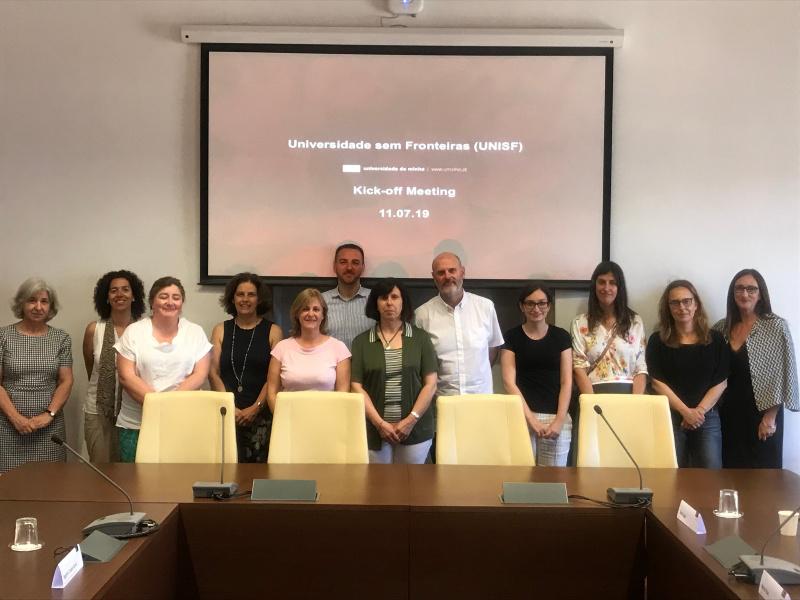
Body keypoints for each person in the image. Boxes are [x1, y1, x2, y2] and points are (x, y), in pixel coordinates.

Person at [114, 276, 212, 462]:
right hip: (137, 424)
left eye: (176, 297)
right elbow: (126, 377)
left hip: (182, 423)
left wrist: (168, 406)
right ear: (152, 301)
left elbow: (200, 374)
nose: (170, 302)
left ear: (182, 303)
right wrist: (158, 406)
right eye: (163, 296)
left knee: (177, 477)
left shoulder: (195, 332)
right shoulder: (134, 331)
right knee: (136, 478)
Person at [713, 269, 798, 468]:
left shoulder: (775, 326)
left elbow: (782, 374)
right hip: (729, 413)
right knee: (731, 472)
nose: (745, 294)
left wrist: (770, 416)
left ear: (761, 294)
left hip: (763, 412)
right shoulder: (721, 328)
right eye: (739, 289)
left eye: (751, 289)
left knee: (764, 475)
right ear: (732, 294)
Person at [351, 278, 438, 464]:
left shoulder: (421, 339)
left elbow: (430, 384)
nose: (389, 302)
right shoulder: (361, 342)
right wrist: (380, 424)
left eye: (394, 297)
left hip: (415, 430)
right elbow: (356, 386)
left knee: (410, 481)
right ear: (376, 303)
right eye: (383, 298)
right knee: (378, 482)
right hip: (374, 432)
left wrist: (410, 421)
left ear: (403, 302)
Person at [646, 280, 729, 468]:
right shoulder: (657, 341)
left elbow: (721, 382)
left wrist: (698, 413)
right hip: (670, 417)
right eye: (675, 303)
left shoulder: (716, 340)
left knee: (711, 476)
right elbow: (656, 382)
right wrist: (685, 412)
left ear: (696, 304)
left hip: (707, 417)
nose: (682, 307)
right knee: (670, 476)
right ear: (668, 308)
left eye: (687, 301)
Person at [0, 278, 73, 472]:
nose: (38, 307)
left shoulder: (61, 338)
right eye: (32, 300)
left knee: (50, 481)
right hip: (8, 427)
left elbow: (66, 381)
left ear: (50, 306)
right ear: (21, 303)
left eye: (44, 301)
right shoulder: (3, 336)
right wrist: (16, 418)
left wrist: (48, 415)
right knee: (9, 484)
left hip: (49, 428)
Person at [209, 273, 283, 462]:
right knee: (225, 469)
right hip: (226, 413)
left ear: (259, 299)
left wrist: (255, 408)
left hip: (261, 416)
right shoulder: (220, 330)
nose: (245, 299)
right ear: (232, 298)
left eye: (251, 294)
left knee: (259, 474)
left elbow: (274, 378)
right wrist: (230, 406)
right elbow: (213, 373)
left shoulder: (273, 331)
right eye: (240, 294)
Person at [500, 283, 573, 466]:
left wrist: (559, 421)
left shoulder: (562, 337)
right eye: (530, 303)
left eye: (542, 303)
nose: (536, 308)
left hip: (556, 418)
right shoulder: (511, 337)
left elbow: (567, 381)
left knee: (553, 479)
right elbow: (509, 382)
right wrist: (531, 419)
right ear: (522, 306)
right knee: (521, 477)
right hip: (522, 416)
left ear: (549, 305)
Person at [415, 252, 504, 396]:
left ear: (462, 272)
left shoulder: (485, 307)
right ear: (434, 277)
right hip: (442, 400)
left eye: (452, 270)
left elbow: (493, 348)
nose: (447, 276)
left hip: (481, 398)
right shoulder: (421, 315)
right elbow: (420, 361)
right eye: (441, 272)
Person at [82, 270, 146, 463]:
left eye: (125, 289)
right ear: (106, 297)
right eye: (113, 290)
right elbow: (91, 369)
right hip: (98, 412)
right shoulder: (94, 330)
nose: (120, 294)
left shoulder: (145, 331)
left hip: (135, 413)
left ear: (134, 295)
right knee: (100, 469)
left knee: (133, 470)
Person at [266, 288, 350, 412]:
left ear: (323, 315)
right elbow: (271, 393)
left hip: (327, 419)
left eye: (316, 309)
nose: (310, 314)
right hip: (288, 420)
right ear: (297, 314)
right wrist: (282, 418)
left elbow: (342, 395)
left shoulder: (339, 349)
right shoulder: (281, 349)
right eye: (305, 309)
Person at [571, 261, 647, 395]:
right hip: (593, 393)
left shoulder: (635, 322)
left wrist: (636, 402)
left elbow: (640, 368)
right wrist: (593, 402)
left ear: (619, 287)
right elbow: (578, 367)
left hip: (629, 394)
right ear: (594, 286)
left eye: (612, 283)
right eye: (601, 282)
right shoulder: (579, 323)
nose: (606, 288)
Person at [321, 243, 375, 350]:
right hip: (330, 361)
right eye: (343, 262)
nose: (349, 267)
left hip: (366, 361)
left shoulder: (376, 300)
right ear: (334, 266)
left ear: (363, 267)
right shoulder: (321, 301)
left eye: (355, 262)